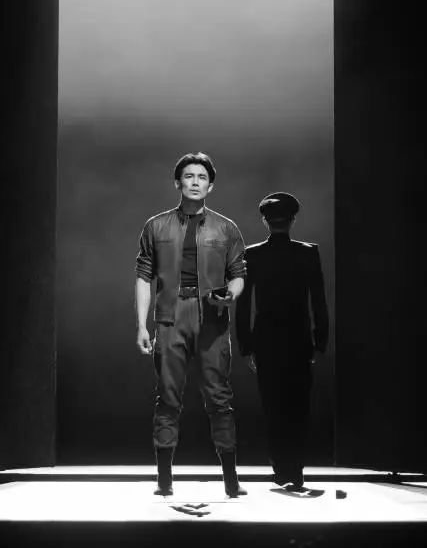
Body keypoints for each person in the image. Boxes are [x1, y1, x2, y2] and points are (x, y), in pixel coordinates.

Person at [135, 152, 248, 498]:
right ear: (177, 182)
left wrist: (230, 295)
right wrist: (142, 325)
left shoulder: (225, 228)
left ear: (210, 186)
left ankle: (231, 480)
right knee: (168, 396)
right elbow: (143, 276)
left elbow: (238, 274)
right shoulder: (156, 226)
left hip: (212, 317)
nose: (195, 182)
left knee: (219, 396)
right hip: (170, 316)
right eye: (189, 176)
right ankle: (164, 480)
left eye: (202, 177)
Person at [235, 191, 328, 494]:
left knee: (273, 405)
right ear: (293, 219)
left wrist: (247, 345)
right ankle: (295, 470)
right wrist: (319, 341)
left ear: (265, 221)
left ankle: (281, 470)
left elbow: (243, 304)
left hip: (267, 341)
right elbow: (318, 301)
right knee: (298, 406)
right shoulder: (308, 253)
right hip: (299, 339)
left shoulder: (253, 254)